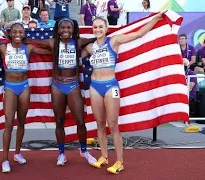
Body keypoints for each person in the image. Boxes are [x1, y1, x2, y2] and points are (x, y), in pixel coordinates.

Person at [81, 12, 165, 174]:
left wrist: (154, 19)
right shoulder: (89, 47)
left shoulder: (114, 40)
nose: (97, 29)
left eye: (100, 27)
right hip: (94, 86)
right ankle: (104, 156)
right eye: (95, 27)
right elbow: (71, 54)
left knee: (112, 125)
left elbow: (139, 34)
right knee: (99, 124)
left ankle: (119, 161)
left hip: (111, 86)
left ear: (106, 28)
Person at [25, 17, 97, 166]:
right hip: (57, 86)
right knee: (59, 121)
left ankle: (84, 151)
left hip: (73, 85)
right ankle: (61, 153)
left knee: (80, 121)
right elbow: (31, 40)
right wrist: (14, 37)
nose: (65, 30)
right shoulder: (53, 42)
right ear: (58, 29)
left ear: (73, 29)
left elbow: (96, 38)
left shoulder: (78, 42)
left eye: (68, 28)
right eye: (62, 28)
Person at [0, 22, 51, 173]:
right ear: (10, 33)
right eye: (15, 32)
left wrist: (64, 46)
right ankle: (4, 159)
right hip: (9, 87)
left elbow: (48, 52)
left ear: (24, 34)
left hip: (24, 87)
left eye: (20, 32)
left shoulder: (28, 48)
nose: (17, 34)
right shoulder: (3, 47)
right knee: (8, 122)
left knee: (22, 121)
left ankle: (17, 153)